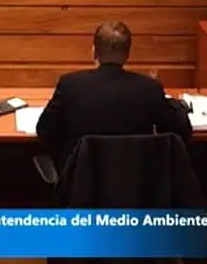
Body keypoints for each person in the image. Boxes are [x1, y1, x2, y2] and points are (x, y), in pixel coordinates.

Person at [36, 21, 192, 171]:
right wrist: (177, 106)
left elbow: (44, 130)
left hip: (81, 182)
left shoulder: (70, 85)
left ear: (94, 52)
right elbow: (180, 130)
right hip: (136, 182)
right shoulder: (150, 89)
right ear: (127, 54)